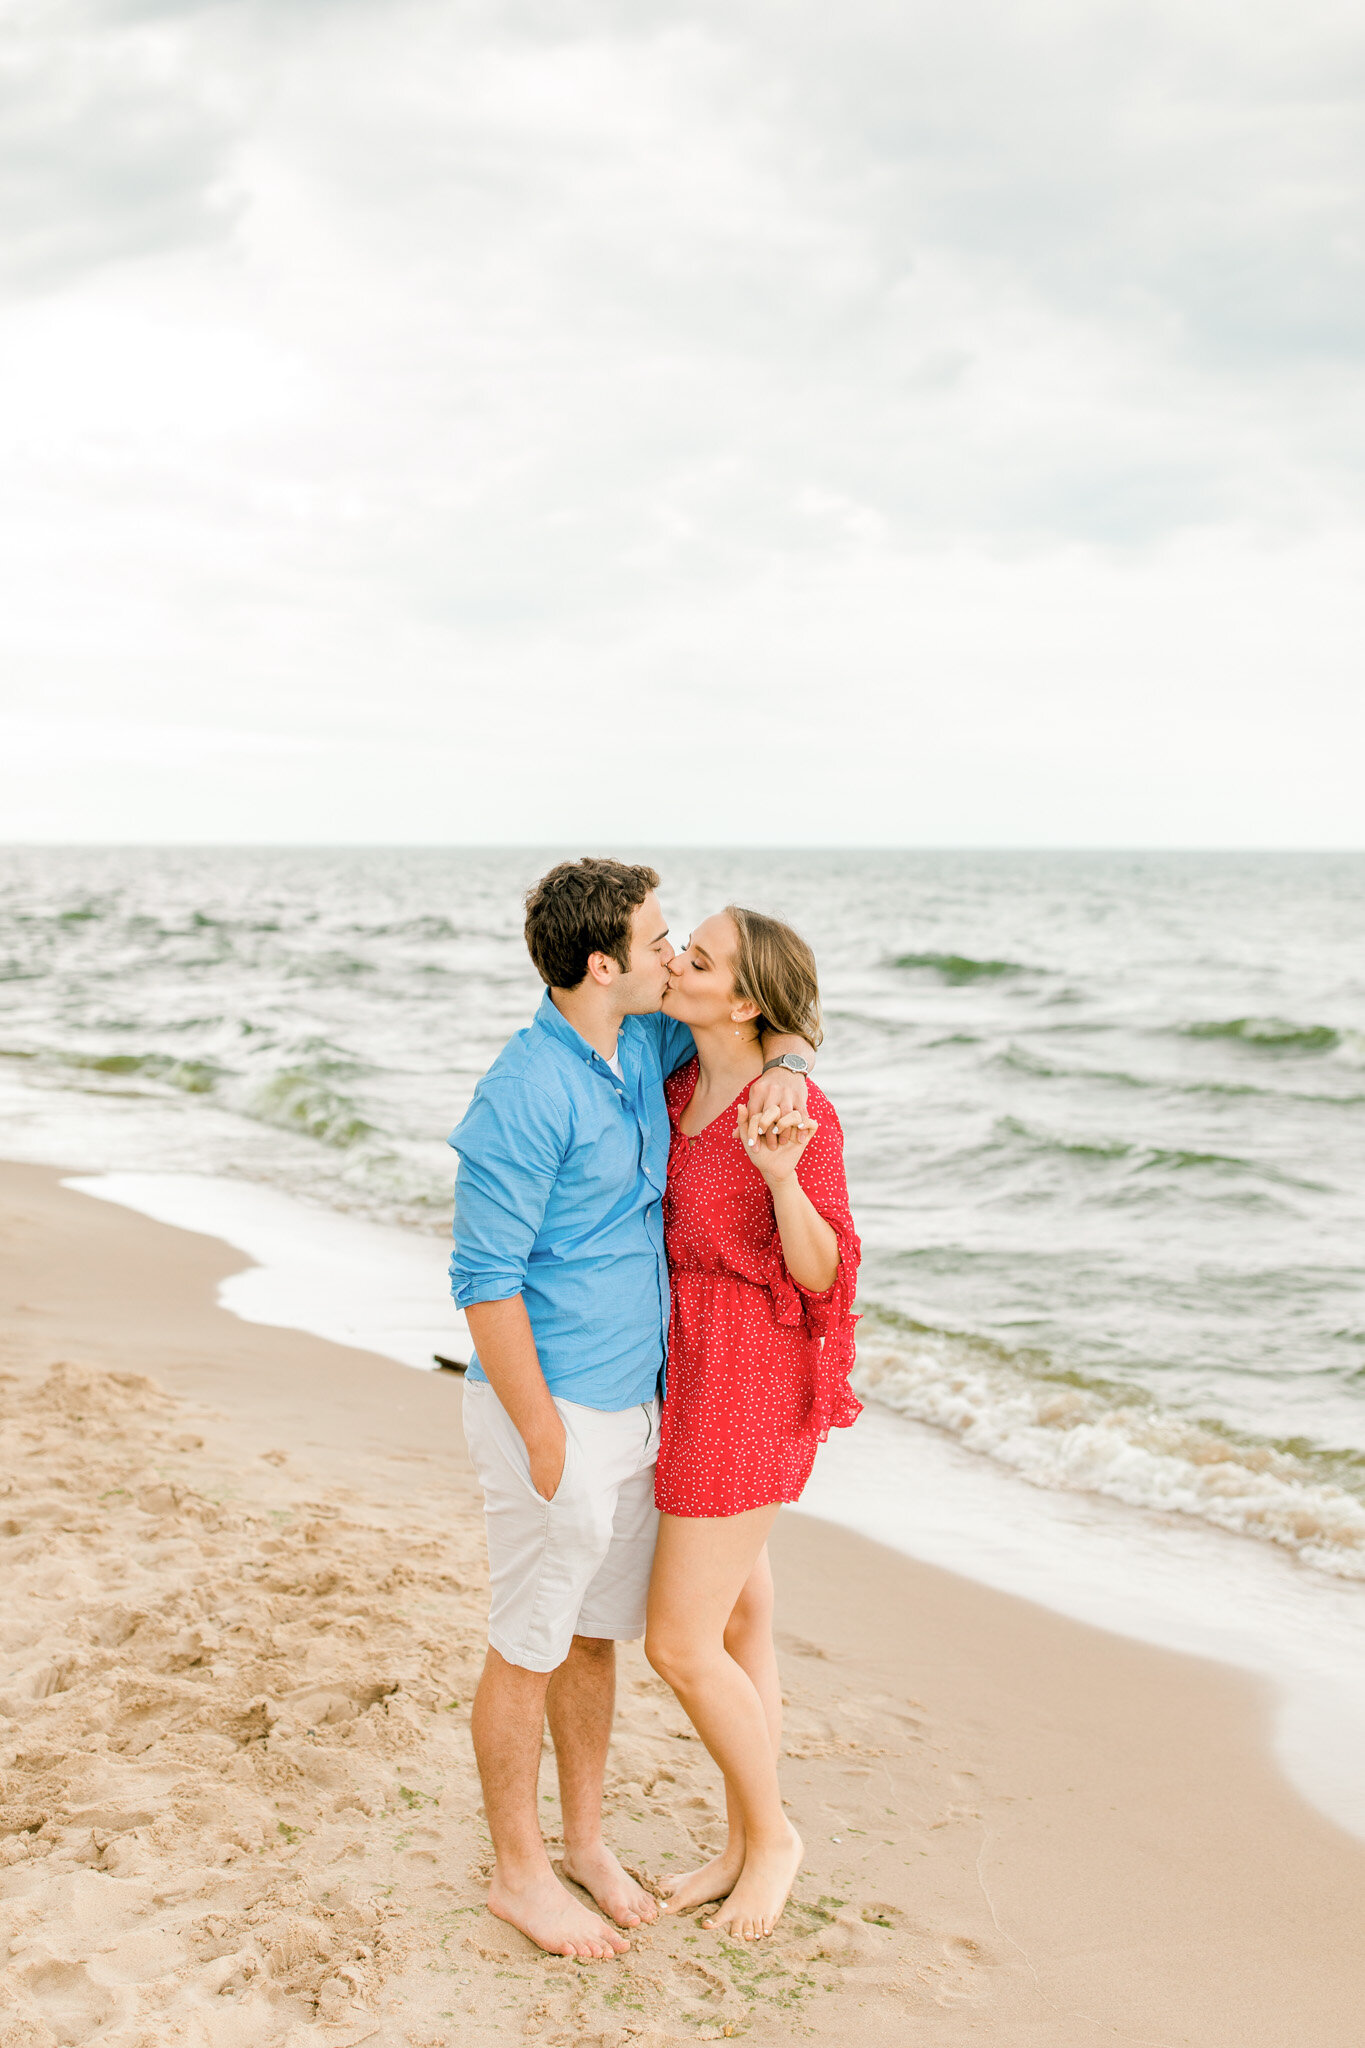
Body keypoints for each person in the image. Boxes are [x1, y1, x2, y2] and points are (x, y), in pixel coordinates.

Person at [447, 858, 816, 1961]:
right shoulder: (524, 1091)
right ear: (602, 963)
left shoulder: (640, 1041)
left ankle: (588, 1839)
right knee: (528, 1642)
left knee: (594, 1639)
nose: (672, 956)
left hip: (641, 1405)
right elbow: (484, 1278)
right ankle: (522, 1873)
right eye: (659, 940)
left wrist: (792, 1063)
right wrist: (545, 1432)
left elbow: (766, 1032)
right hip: (551, 1410)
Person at [643, 905, 861, 1941]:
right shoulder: (675, 1070)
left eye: (699, 955)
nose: (676, 958)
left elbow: (824, 1273)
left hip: (750, 1377)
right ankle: (738, 1839)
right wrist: (791, 1042)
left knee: (679, 1640)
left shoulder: (793, 1113)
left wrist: (780, 1174)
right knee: (741, 1621)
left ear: (741, 998)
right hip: (681, 1364)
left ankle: (772, 1835)